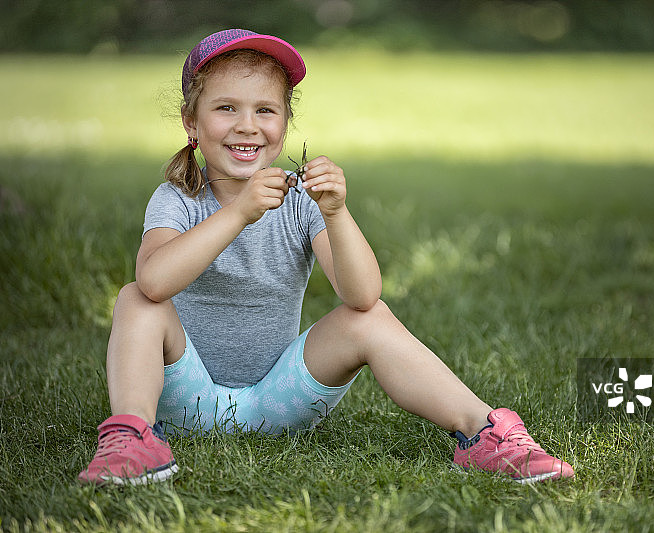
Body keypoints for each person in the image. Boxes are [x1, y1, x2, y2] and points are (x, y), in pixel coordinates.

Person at [78, 29, 574, 486]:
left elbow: (363, 296)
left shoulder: (299, 202)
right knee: (135, 299)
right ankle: (133, 438)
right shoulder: (178, 198)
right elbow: (155, 281)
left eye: (265, 110)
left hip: (278, 402)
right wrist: (239, 213)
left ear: (285, 123)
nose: (247, 126)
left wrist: (335, 213)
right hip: (184, 401)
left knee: (369, 319)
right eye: (226, 108)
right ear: (192, 122)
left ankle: (485, 433)